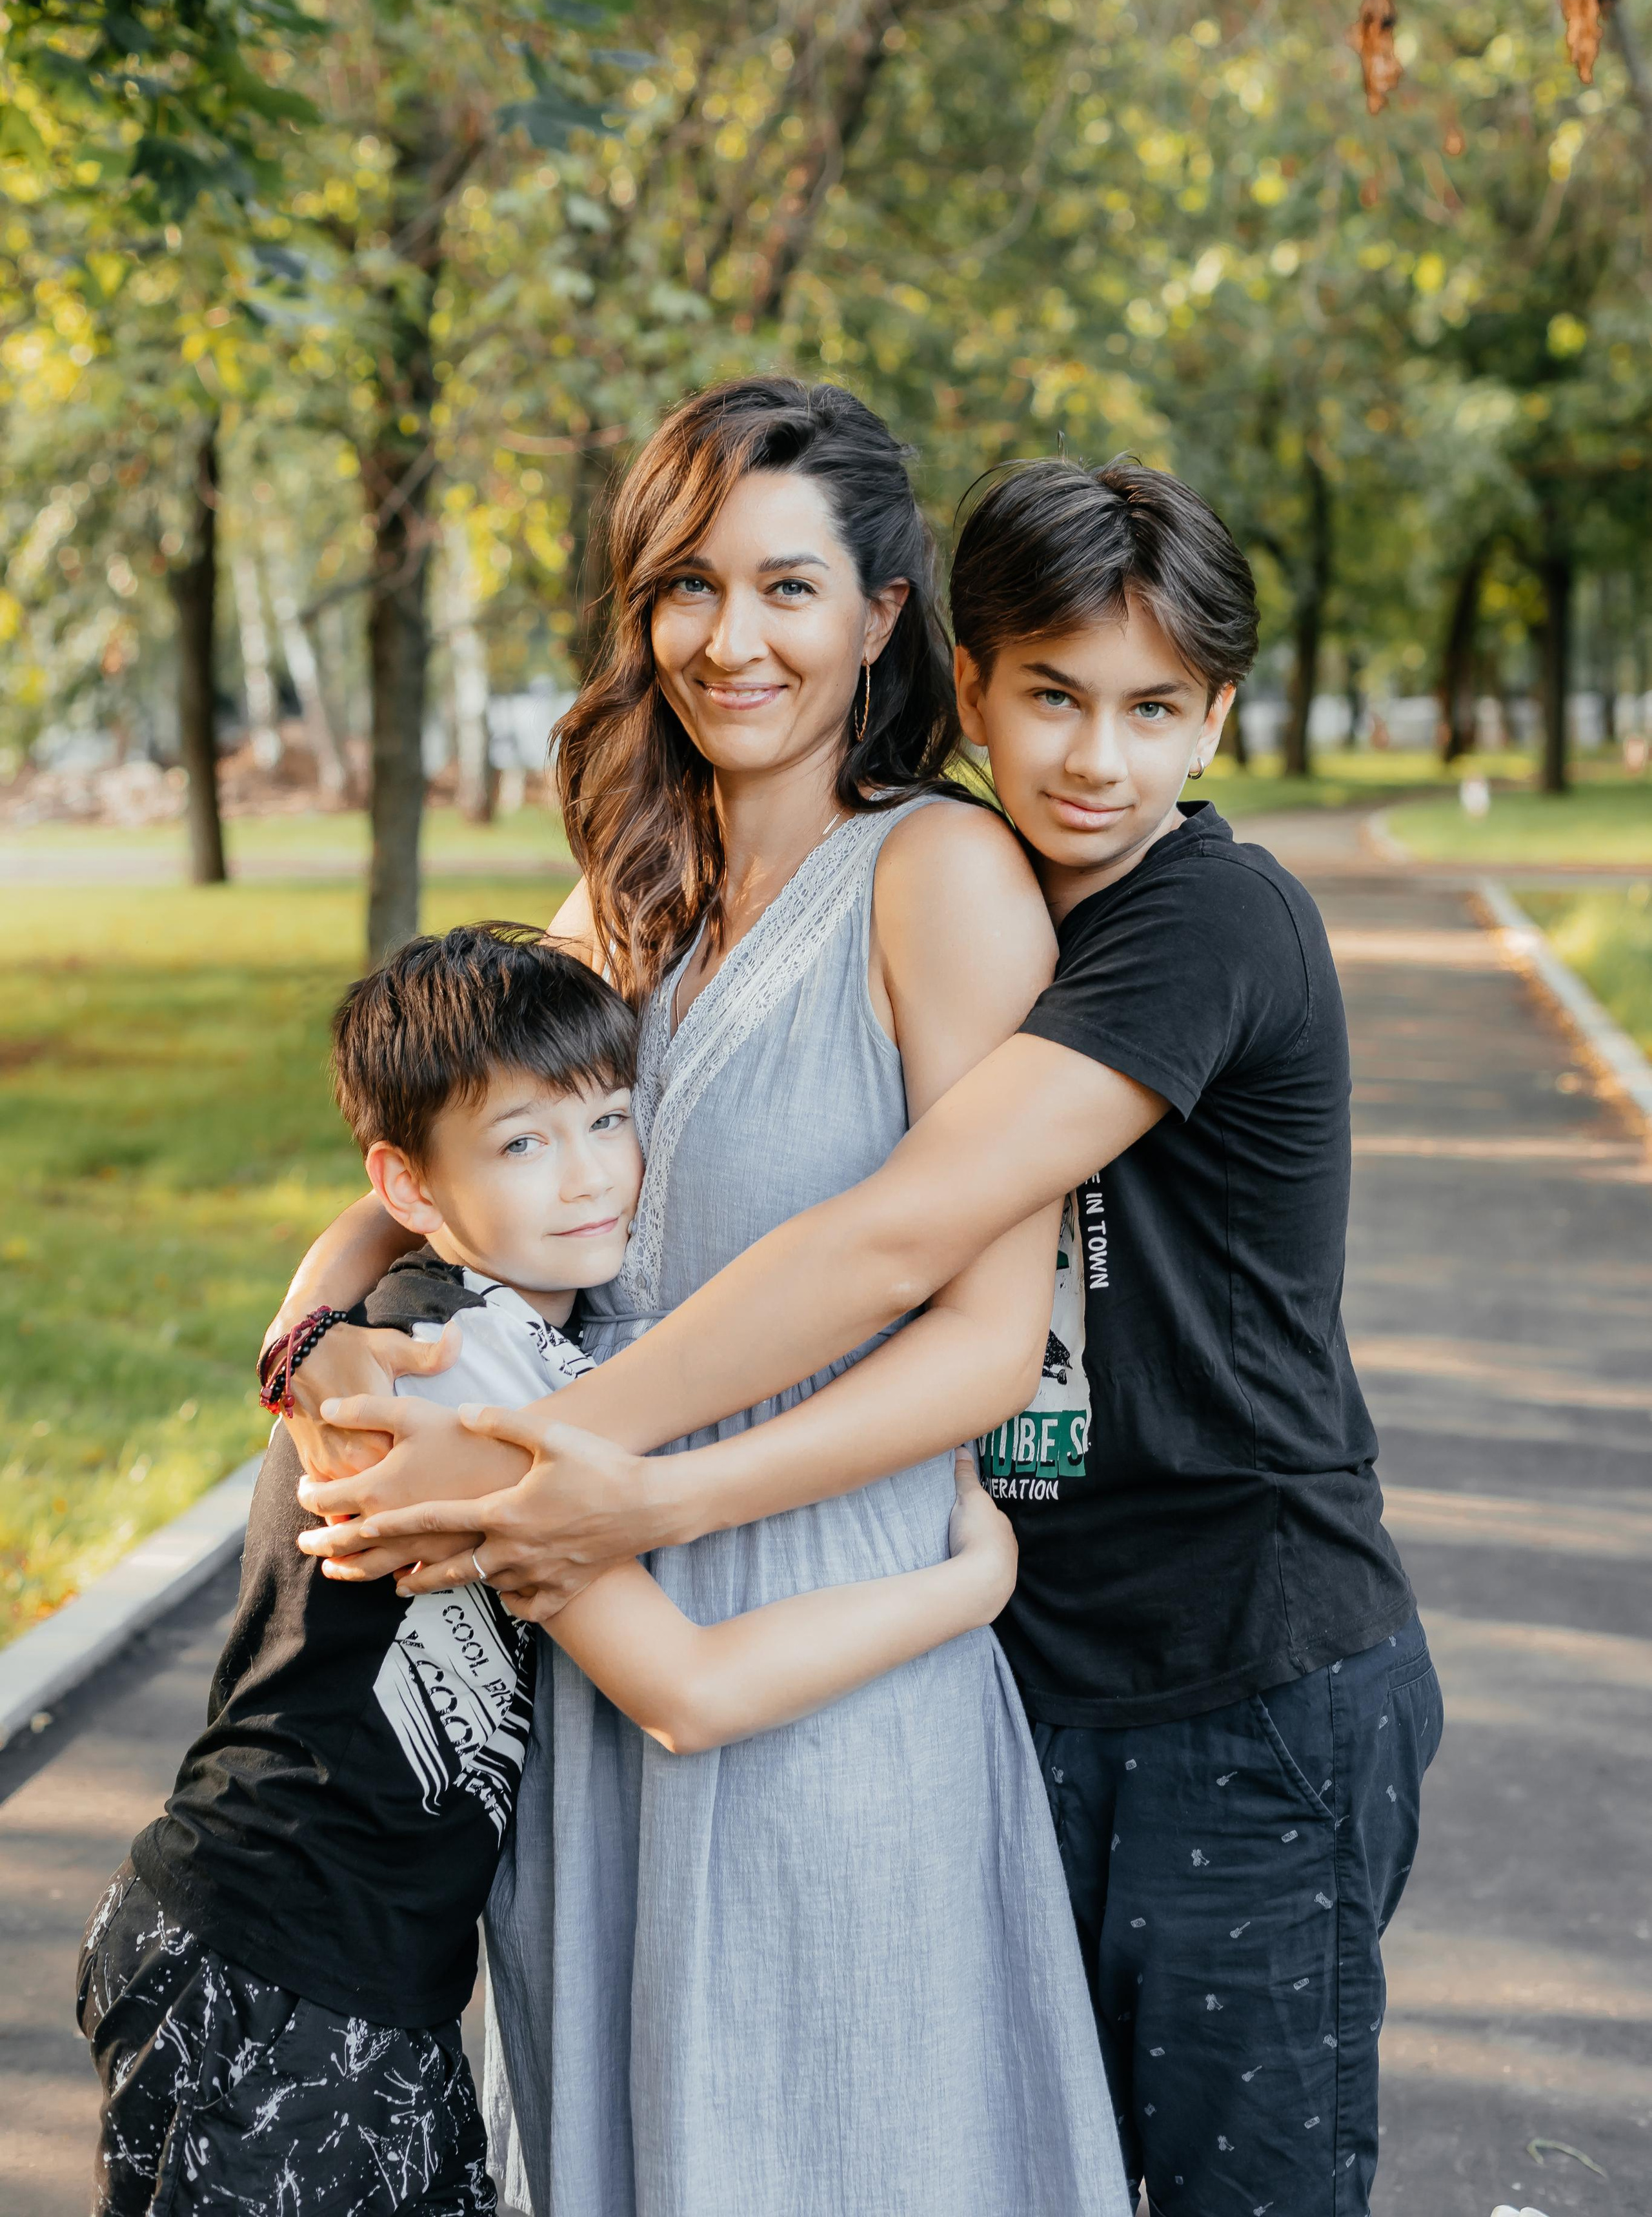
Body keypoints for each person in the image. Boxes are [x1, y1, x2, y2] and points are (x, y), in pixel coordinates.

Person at [305, 458, 1442, 2217]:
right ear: (969, 682)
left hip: (1242, 1665)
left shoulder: (1200, 920)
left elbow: (901, 1233)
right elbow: (461, 1134)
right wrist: (315, 1334)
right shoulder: (884, 883)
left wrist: (592, 1463)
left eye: (1154, 712)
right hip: (1022, 1651)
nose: (1096, 759)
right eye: (1053, 698)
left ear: (1218, 721)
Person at [267, 381, 1133, 2217]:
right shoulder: (621, 903)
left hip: (830, 1652)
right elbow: (438, 1155)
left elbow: (989, 1343)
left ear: (885, 613)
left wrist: (639, 1494)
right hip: (596, 1671)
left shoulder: (943, 877)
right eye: (686, 587)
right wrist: (324, 1318)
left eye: (789, 588)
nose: (730, 640)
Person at [77, 922, 1022, 2217]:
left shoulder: (515, 1333)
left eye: (607, 1122)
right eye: (523, 1145)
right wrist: (963, 1590)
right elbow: (682, 1690)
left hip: (363, 1968)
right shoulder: (450, 1378)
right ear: (411, 1189)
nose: (588, 1180)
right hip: (269, 1957)